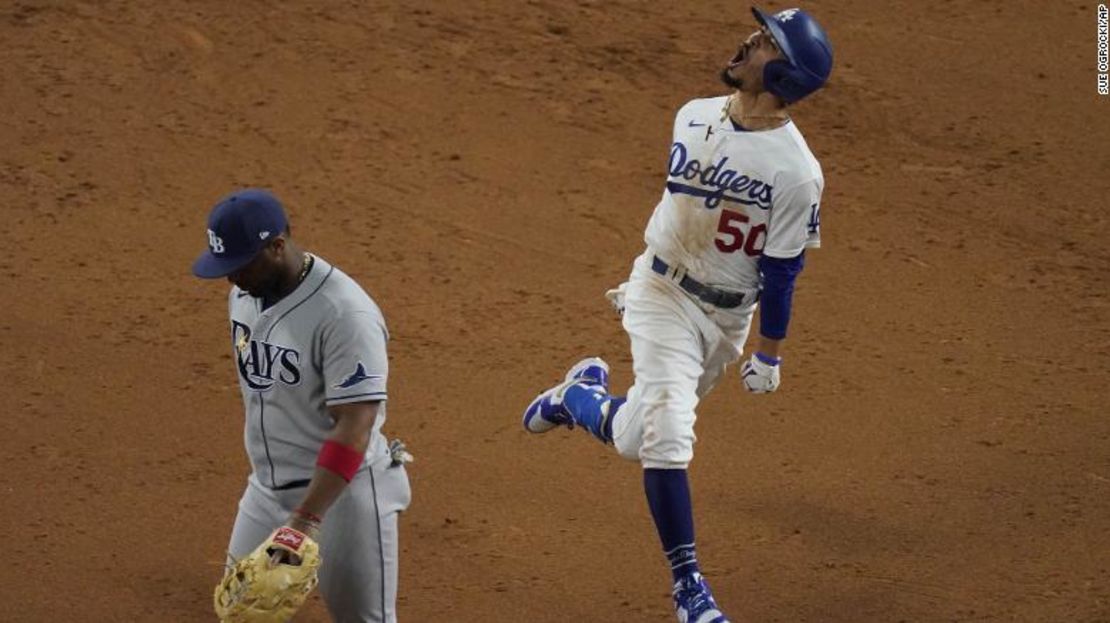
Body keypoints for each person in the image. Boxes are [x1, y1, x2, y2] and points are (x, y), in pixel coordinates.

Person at [521, 7, 833, 622]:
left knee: (639, 437)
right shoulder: (691, 115)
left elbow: (782, 270)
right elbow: (682, 207)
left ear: (786, 79)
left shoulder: (798, 174)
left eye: (768, 42)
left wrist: (769, 350)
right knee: (669, 439)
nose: (750, 40)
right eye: (760, 31)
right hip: (661, 294)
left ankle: (577, 397)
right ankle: (690, 587)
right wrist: (650, 281)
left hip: (726, 322)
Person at [193, 188, 411, 623]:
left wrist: (305, 520)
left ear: (277, 246)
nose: (231, 279)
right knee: (242, 609)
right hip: (268, 486)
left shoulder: (345, 315)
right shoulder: (244, 295)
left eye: (239, 266)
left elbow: (355, 422)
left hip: (344, 495)